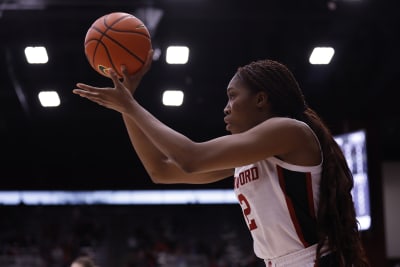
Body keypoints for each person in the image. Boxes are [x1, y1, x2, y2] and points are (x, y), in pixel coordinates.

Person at [73, 50, 370, 267]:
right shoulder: (249, 152)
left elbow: (191, 157)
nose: (225, 108)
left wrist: (132, 106)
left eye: (232, 96)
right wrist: (127, 106)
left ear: (261, 99)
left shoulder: (289, 130)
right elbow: (160, 170)